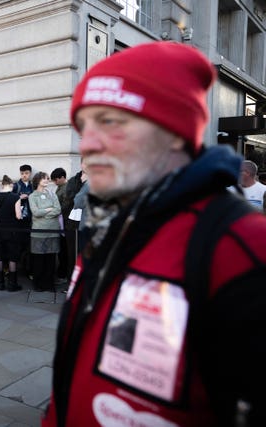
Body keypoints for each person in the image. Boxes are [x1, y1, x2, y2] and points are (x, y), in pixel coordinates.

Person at [42, 42, 266, 427]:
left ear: (174, 132)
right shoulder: (107, 228)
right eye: (84, 125)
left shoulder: (244, 248)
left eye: (110, 121)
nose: (88, 143)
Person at [28, 172, 61, 292]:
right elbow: (35, 212)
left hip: (53, 230)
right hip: (38, 232)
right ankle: (38, 284)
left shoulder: (52, 194)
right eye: (44, 178)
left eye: (47, 179)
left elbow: (58, 209)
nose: (47, 180)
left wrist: (45, 213)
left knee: (51, 259)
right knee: (38, 260)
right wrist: (48, 210)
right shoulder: (32, 196)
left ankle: (49, 284)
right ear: (37, 180)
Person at [0, 175, 22, 291]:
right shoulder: (15, 197)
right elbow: (18, 216)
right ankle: (12, 285)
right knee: (12, 258)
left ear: (2, 185)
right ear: (11, 185)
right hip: (12, 230)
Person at [13, 164, 34, 277]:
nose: (24, 175)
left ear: (30, 173)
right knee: (18, 245)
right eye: (22, 173)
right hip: (19, 220)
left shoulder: (33, 186)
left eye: (26, 173)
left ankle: (28, 270)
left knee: (28, 247)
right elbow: (10, 198)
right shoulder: (16, 186)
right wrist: (19, 197)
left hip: (30, 219)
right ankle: (14, 270)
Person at [50, 168, 69, 282]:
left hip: (64, 223)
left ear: (62, 177)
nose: (55, 182)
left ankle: (63, 274)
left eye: (56, 180)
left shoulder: (66, 188)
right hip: (60, 222)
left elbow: (64, 206)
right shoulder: (60, 188)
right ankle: (62, 273)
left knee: (64, 251)